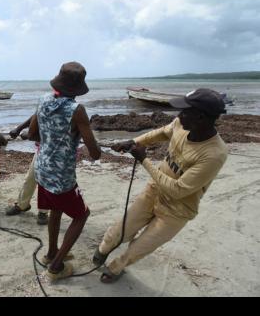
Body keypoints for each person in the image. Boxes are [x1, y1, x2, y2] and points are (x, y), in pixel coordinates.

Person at [92, 88, 228, 283]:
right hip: (154, 191)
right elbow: (163, 132)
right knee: (121, 229)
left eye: (184, 111)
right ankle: (102, 250)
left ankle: (116, 268)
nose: (178, 115)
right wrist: (133, 141)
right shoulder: (182, 124)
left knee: (139, 248)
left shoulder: (215, 154)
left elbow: (179, 190)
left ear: (201, 117)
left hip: (177, 210)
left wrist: (144, 160)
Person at [28, 61, 101, 281]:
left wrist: (51, 140)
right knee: (82, 215)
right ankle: (56, 267)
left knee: (56, 210)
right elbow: (95, 152)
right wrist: (92, 145)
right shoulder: (76, 110)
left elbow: (32, 135)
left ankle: (51, 253)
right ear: (78, 88)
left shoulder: (42, 101)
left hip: (42, 169)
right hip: (61, 177)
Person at [4, 115, 49, 225]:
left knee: (45, 183)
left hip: (56, 153)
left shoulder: (71, 110)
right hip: (41, 150)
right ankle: (22, 205)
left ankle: (43, 212)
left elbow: (55, 135)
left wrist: (30, 135)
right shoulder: (48, 102)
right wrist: (19, 128)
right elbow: (37, 115)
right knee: (30, 178)